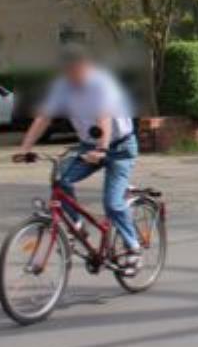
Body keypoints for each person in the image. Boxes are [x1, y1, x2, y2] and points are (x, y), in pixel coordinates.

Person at [17, 45, 141, 273]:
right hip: (88, 146)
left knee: (112, 203)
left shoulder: (102, 83)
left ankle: (133, 247)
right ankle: (77, 225)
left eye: (74, 68)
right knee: (60, 178)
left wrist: (102, 148)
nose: (70, 74)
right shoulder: (63, 86)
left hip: (119, 147)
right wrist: (25, 148)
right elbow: (44, 117)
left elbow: (103, 116)